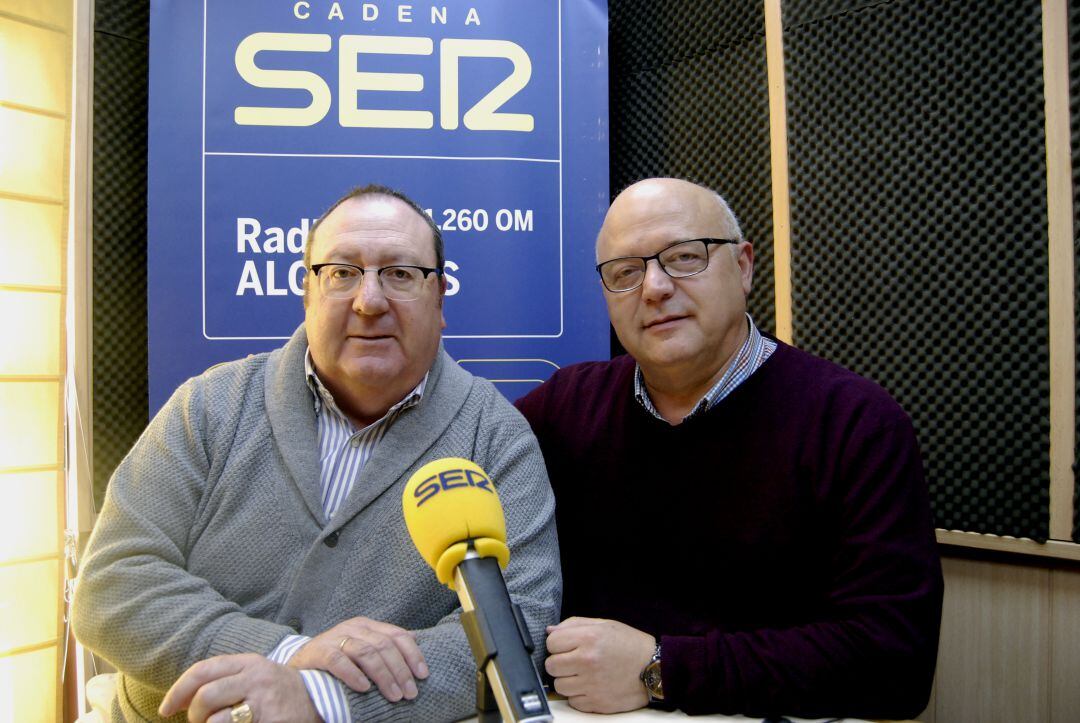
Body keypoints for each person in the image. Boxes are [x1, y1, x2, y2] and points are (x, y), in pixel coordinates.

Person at [73, 185, 561, 723]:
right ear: (307, 293)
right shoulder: (209, 406)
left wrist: (321, 699)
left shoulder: (496, 438)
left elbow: (522, 630)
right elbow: (111, 586)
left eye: (400, 273)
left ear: (440, 300)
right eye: (341, 272)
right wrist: (285, 655)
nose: (369, 301)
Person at [515, 178, 943, 720]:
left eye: (684, 258)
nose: (653, 288)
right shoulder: (565, 408)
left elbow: (895, 661)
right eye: (625, 273)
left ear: (743, 267)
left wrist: (662, 669)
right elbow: (454, 461)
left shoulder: (855, 422)